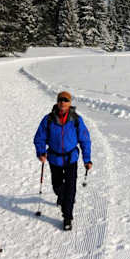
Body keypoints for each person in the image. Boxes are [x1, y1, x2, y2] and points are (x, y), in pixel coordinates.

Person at [33, 91, 92, 231]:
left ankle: (67, 217)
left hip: (71, 158)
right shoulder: (48, 119)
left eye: (66, 100)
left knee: (70, 188)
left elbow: (85, 140)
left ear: (70, 103)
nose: (63, 102)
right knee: (57, 186)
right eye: (60, 100)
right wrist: (41, 152)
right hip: (54, 159)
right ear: (57, 102)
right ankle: (62, 196)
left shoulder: (76, 120)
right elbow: (39, 137)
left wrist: (87, 159)